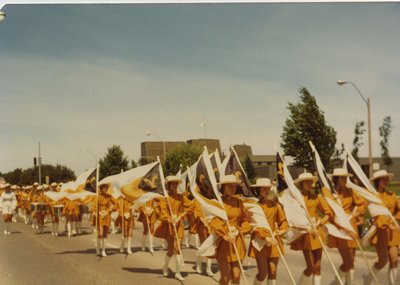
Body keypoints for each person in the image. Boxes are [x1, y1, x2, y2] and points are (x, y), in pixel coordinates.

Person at [290, 172, 333, 285]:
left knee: (318, 266)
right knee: (310, 267)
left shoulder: (316, 197)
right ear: (301, 184)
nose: (309, 184)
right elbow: (293, 217)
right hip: (306, 233)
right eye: (307, 182)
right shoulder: (296, 199)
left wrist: (320, 222)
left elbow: (328, 213)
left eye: (311, 182)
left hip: (317, 233)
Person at [326, 168, 367, 285]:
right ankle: (336, 283)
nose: (345, 180)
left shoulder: (351, 191)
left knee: (352, 261)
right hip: (340, 229)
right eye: (343, 177)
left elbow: (363, 203)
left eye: (346, 177)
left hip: (351, 227)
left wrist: (357, 212)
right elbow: (330, 213)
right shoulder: (332, 194)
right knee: (347, 262)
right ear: (337, 179)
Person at [209, 174, 251, 285]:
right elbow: (214, 221)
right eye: (230, 186)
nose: (233, 189)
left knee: (236, 277)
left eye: (235, 186)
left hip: (237, 241)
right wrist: (224, 234)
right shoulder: (218, 203)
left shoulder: (238, 202)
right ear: (223, 188)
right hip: (224, 242)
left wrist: (239, 230)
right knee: (226, 277)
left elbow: (245, 219)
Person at [248, 178, 288, 285]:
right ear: (258, 190)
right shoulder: (255, 206)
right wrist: (265, 237)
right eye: (263, 189)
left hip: (274, 239)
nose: (266, 191)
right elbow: (254, 226)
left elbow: (283, 221)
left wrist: (282, 230)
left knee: (273, 271)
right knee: (263, 273)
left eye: (268, 188)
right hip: (260, 241)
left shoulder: (275, 205)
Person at [154, 175, 194, 281]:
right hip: (169, 225)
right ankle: (165, 265)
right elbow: (163, 211)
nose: (175, 185)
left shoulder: (181, 197)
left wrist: (181, 215)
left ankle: (177, 272)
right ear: (169, 185)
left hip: (179, 224)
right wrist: (169, 218)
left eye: (177, 183)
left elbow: (191, 205)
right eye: (173, 183)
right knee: (171, 250)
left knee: (178, 248)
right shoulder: (165, 198)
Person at [364, 170, 400, 285]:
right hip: (381, 231)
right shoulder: (374, 197)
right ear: (378, 182)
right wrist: (388, 224)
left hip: (393, 233)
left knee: (394, 260)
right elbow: (377, 215)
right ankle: (368, 278)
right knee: (382, 262)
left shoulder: (392, 195)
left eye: (387, 179)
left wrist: (396, 218)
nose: (386, 181)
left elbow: (399, 209)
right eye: (384, 179)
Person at [93, 183, 117, 257]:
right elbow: (94, 205)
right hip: (99, 215)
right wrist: (94, 212)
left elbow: (116, 204)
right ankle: (97, 247)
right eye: (104, 188)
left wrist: (110, 209)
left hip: (106, 215)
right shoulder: (98, 196)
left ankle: (103, 250)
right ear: (101, 189)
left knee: (105, 234)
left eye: (106, 188)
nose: (105, 189)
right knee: (100, 233)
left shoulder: (109, 196)